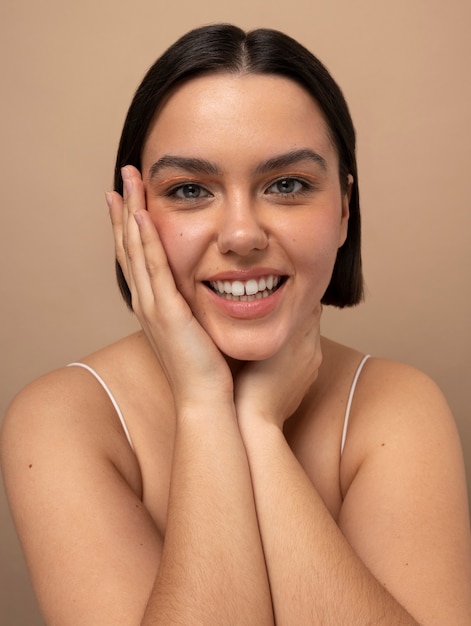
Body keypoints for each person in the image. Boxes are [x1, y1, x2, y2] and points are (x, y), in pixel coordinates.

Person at [1, 23, 470, 625]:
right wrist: (203, 402)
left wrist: (258, 429)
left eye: (288, 184)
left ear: (346, 207)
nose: (243, 235)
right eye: (192, 189)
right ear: (133, 215)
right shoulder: (63, 419)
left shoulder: (396, 406)